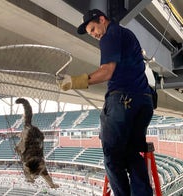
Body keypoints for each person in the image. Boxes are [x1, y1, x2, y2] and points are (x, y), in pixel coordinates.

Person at [57, 9, 154, 195]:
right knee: (132, 154)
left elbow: (106, 72)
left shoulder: (110, 36)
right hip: (144, 102)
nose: (94, 34)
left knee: (112, 157)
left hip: (123, 101)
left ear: (102, 20)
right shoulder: (126, 34)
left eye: (93, 28)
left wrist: (74, 81)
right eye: (91, 33)